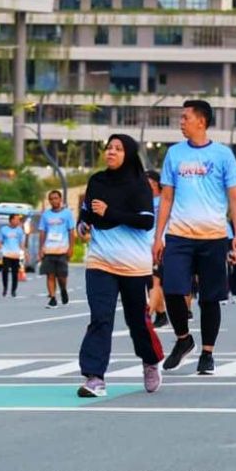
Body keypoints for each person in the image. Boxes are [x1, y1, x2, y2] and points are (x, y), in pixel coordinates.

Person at [152, 100, 236, 377]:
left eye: (185, 118)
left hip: (214, 236)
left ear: (201, 121)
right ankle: (183, 339)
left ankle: (207, 353)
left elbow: (235, 197)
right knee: (172, 288)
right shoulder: (174, 154)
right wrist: (158, 236)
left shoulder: (222, 155)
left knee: (210, 298)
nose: (181, 122)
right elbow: (166, 196)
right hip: (179, 235)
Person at [76, 134, 165, 397]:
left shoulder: (139, 185)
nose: (111, 152)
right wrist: (84, 224)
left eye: (118, 148)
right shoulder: (97, 181)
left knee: (136, 320)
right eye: (108, 148)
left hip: (133, 265)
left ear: (128, 153)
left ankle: (150, 361)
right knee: (100, 318)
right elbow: (87, 212)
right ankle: (94, 377)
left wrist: (110, 213)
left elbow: (146, 221)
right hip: (100, 260)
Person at [39, 190, 76, 308]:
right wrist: (41, 248)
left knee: (61, 276)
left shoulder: (67, 214)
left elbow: (71, 231)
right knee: (50, 275)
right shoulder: (45, 215)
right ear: (49, 201)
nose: (54, 200)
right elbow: (42, 231)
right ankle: (53, 298)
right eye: (51, 199)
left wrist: (71, 247)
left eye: (56, 198)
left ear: (60, 199)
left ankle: (63, 289)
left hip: (62, 250)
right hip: (49, 250)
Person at [145, 170, 169, 328]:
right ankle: (161, 314)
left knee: (155, 280)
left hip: (160, 244)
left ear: (155, 183)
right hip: (144, 246)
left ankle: (147, 314)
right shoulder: (143, 201)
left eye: (148, 183)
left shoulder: (164, 200)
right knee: (150, 282)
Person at [0, 214, 27, 298]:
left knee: (15, 273)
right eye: (16, 219)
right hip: (6, 254)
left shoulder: (20, 230)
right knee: (5, 272)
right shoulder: (4, 229)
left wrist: (25, 253)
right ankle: (5, 288)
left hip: (16, 255)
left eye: (19, 220)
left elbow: (22, 243)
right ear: (11, 220)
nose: (18, 221)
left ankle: (13, 290)